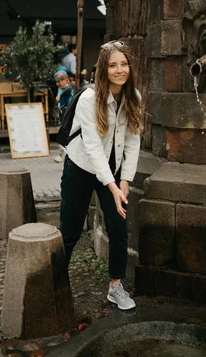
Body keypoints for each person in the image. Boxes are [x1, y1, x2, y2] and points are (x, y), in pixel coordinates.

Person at [60, 40, 142, 310]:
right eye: (113, 65)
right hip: (82, 168)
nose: (120, 70)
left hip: (115, 170)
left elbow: (132, 141)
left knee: (118, 229)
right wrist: (112, 187)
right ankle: (56, 285)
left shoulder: (134, 97)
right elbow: (93, 147)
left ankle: (115, 287)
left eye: (124, 64)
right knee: (70, 230)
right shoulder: (88, 98)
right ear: (103, 70)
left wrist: (125, 181)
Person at [54, 70, 75, 163]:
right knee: (62, 136)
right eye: (57, 82)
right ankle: (61, 155)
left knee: (64, 137)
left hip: (67, 116)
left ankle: (66, 156)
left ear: (65, 80)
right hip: (63, 116)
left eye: (59, 81)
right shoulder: (62, 90)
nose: (57, 84)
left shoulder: (69, 90)